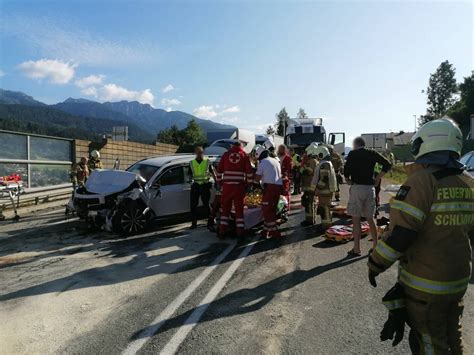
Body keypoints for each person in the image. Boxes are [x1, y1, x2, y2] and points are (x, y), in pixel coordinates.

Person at [367, 118, 473, 354]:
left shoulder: (421, 182)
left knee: (429, 343)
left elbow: (400, 236)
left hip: (427, 287)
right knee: (452, 337)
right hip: (457, 282)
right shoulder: (469, 183)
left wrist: (375, 263)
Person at [344, 137, 391, 256]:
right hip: (370, 189)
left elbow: (346, 172)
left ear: (355, 145)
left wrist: (348, 180)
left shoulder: (352, 154)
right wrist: (377, 178)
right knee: (370, 219)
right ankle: (375, 246)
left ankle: (356, 248)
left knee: (356, 220)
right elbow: (387, 164)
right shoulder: (372, 153)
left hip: (357, 188)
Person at [216, 141, 253, 239]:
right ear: (241, 146)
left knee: (225, 211)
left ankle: (222, 232)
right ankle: (240, 234)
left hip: (227, 187)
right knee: (239, 211)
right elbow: (249, 172)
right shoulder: (244, 155)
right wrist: (249, 184)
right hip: (239, 187)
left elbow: (219, 171)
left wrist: (220, 183)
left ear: (232, 146)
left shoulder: (226, 154)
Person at [254, 145, 283, 238]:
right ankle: (266, 230)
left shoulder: (263, 162)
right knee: (272, 209)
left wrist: (254, 182)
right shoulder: (275, 160)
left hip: (269, 188)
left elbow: (257, 178)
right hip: (278, 187)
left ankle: (274, 231)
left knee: (267, 210)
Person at [311, 146, 337, 230]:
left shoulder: (324, 164)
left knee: (325, 208)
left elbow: (324, 178)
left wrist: (318, 188)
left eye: (318, 155)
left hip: (324, 190)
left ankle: (326, 226)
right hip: (326, 190)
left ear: (321, 154)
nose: (317, 156)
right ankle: (325, 224)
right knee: (325, 207)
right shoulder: (327, 163)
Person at [189, 146, 215, 229]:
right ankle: (194, 223)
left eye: (201, 152)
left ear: (203, 153)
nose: (199, 154)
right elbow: (189, 175)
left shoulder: (207, 162)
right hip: (196, 185)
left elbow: (213, 172)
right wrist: (190, 183)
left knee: (206, 205)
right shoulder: (192, 163)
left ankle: (211, 221)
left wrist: (216, 182)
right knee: (193, 206)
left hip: (204, 185)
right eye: (198, 152)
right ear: (195, 153)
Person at [300, 143, 319, 226]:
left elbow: (307, 172)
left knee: (309, 203)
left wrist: (302, 167)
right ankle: (310, 219)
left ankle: (310, 220)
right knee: (310, 203)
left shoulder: (311, 161)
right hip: (311, 185)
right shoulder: (315, 160)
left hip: (309, 185)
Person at [277, 144, 292, 211]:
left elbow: (289, 169)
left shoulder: (288, 158)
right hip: (278, 179)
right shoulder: (277, 157)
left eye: (281, 149)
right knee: (279, 195)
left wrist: (285, 175)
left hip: (285, 179)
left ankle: (286, 207)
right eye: (279, 149)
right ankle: (280, 208)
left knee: (285, 194)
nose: (279, 150)